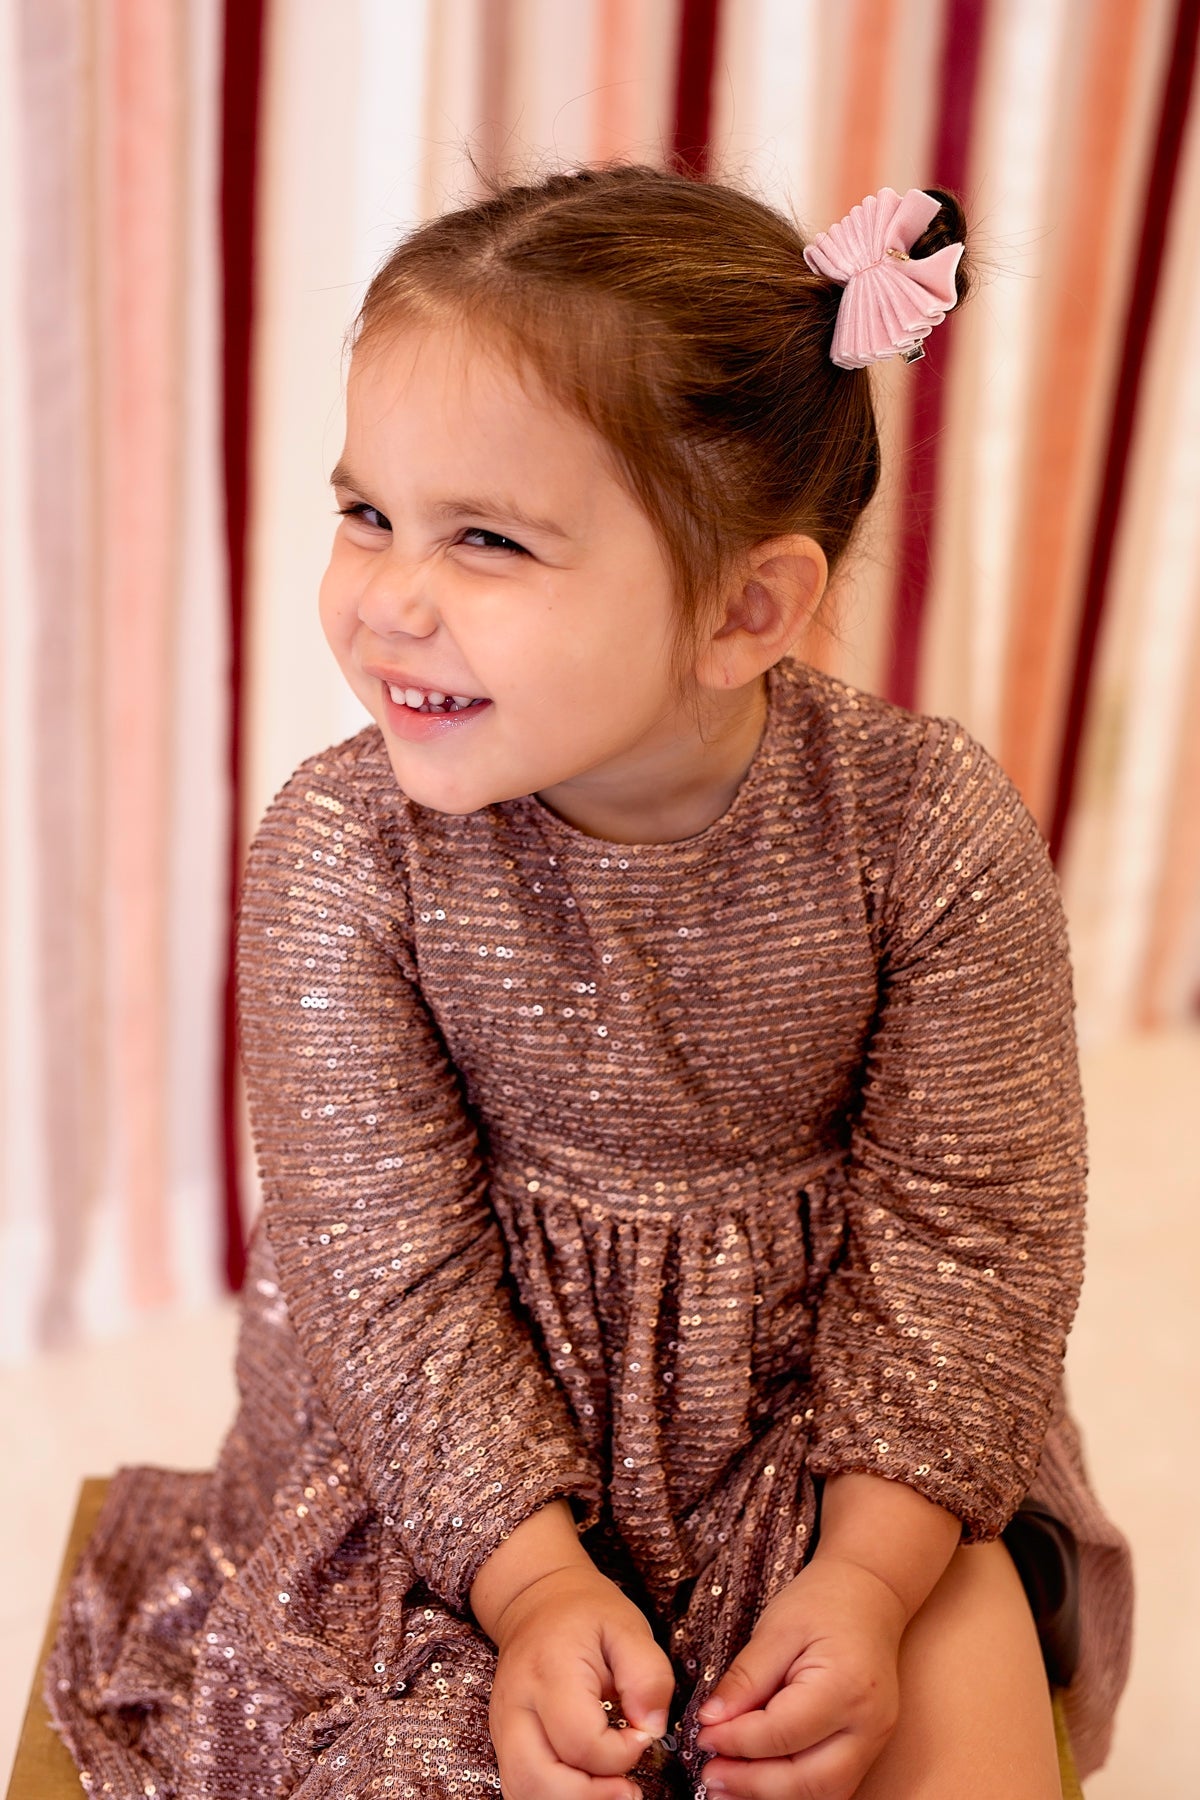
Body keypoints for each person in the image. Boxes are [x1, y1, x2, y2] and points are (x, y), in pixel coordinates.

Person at [46, 166, 1132, 1800]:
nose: (387, 598)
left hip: (838, 1437)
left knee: (945, 1676)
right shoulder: (347, 854)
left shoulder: (925, 832)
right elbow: (385, 1275)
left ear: (747, 608)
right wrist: (535, 1584)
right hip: (447, 1476)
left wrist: (869, 1570)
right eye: (366, 514)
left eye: (486, 539)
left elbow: (973, 1234)